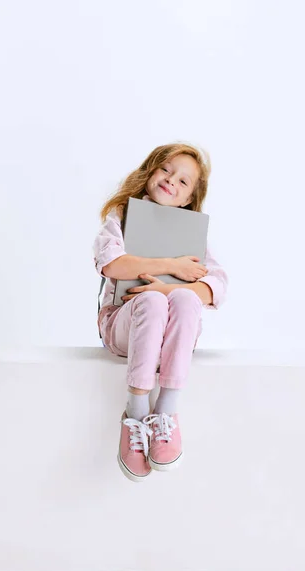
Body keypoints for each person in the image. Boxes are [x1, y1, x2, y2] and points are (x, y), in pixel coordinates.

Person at [92, 142, 228, 483]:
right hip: (124, 324)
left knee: (184, 300)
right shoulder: (122, 215)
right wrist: (170, 267)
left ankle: (166, 410)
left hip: (167, 332)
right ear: (150, 171)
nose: (172, 181)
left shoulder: (190, 233)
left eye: (184, 182)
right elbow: (112, 264)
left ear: (188, 199)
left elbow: (217, 286)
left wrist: (167, 287)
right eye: (166, 170)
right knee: (151, 303)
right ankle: (136, 413)